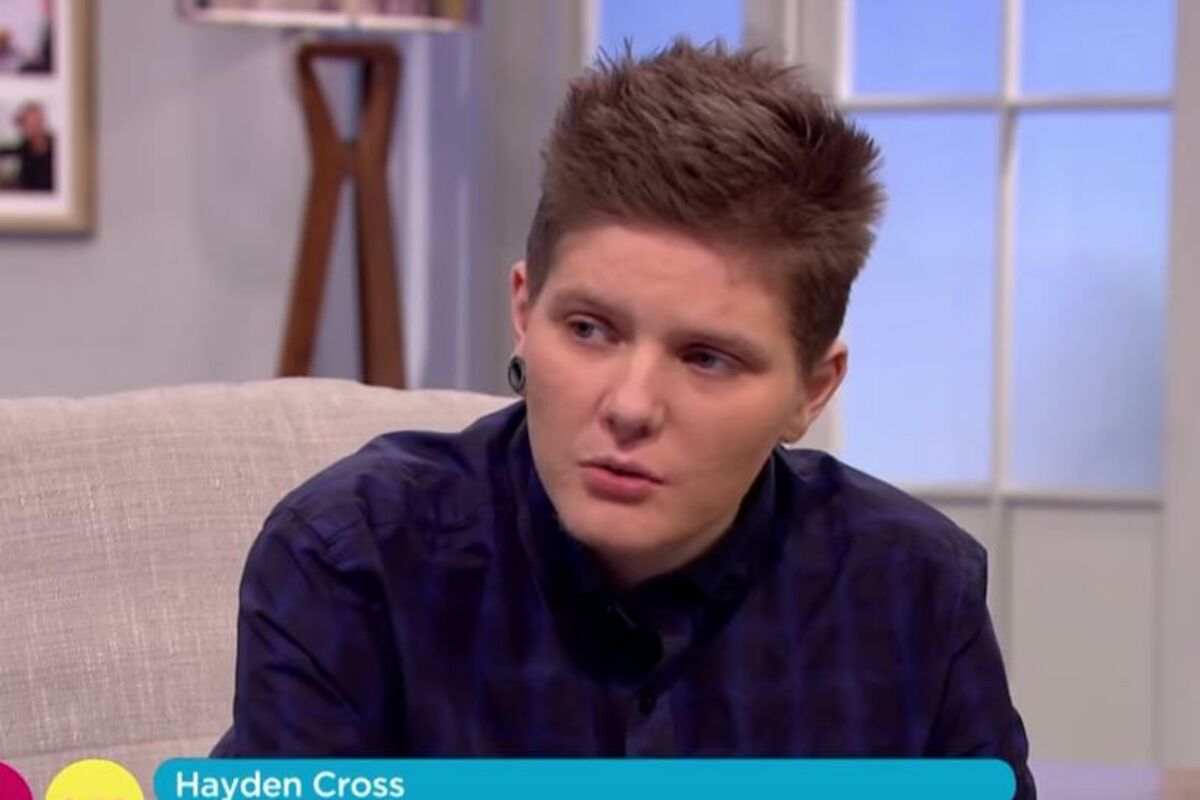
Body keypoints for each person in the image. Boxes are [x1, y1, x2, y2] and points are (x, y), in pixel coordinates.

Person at [213, 40, 1035, 799]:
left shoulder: (913, 588)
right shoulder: (352, 559)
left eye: (707, 358)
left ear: (811, 392)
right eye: (589, 330)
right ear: (524, 311)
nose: (631, 406)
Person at [0, 102, 53, 192]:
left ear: (41, 121)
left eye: (33, 122)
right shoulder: (24, 147)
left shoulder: (57, 148)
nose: (28, 127)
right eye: (25, 123)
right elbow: (7, 153)